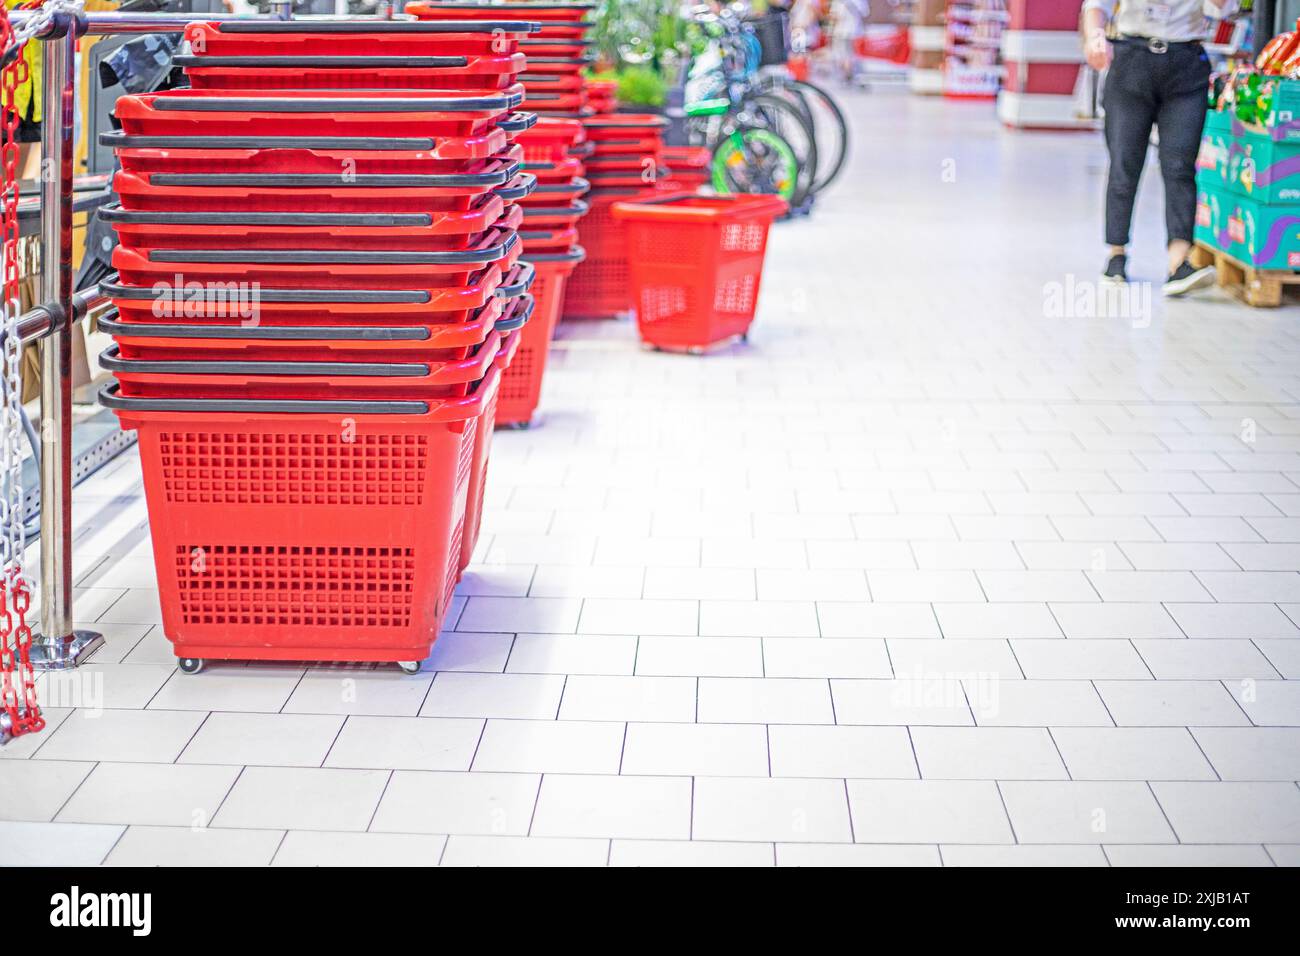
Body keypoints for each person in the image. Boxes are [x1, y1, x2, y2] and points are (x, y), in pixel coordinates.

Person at [1082, 0, 1235, 296]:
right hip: (1132, 60)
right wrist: (1095, 35)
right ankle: (1116, 254)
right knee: (1124, 162)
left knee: (1179, 164)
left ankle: (1179, 262)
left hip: (1186, 63)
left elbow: (1222, 9)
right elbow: (1096, 5)